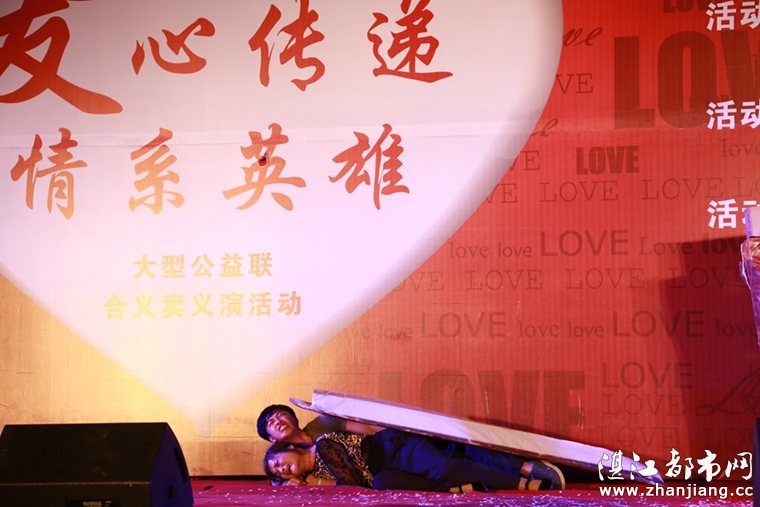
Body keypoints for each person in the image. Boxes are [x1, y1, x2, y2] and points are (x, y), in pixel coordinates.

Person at [263, 428, 565, 492]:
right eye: (279, 472)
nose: (281, 467)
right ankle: (455, 490)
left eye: (277, 461)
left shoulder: (323, 445)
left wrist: (310, 483)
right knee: (383, 483)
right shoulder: (321, 479)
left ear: (286, 448)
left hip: (392, 448)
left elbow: (352, 482)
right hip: (386, 471)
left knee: (447, 467)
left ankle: (522, 480)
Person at [256, 403, 383, 445]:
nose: (278, 421)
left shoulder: (323, 423)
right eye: (271, 423)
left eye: (280, 415)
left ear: (295, 418)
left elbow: (371, 429)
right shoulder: (284, 460)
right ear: (272, 439)